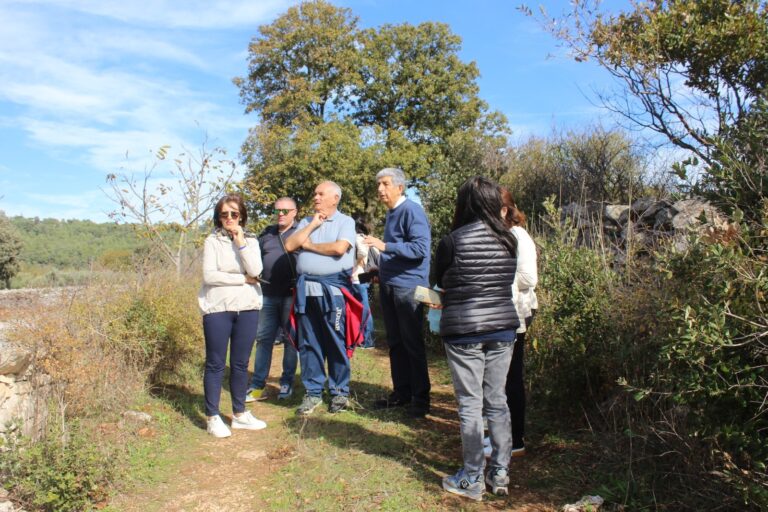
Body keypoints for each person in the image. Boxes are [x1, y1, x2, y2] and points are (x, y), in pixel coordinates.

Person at [433, 176, 519, 500]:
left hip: (464, 328)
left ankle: (472, 478)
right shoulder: (510, 240)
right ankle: (500, 472)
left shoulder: (452, 241)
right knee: (497, 400)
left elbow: (439, 280)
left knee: (470, 404)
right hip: (502, 327)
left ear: (465, 203)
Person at [283, 181, 361, 415]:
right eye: (314, 193)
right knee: (309, 344)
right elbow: (289, 244)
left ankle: (339, 393)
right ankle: (313, 392)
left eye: (321, 194)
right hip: (306, 293)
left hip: (334, 294)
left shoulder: (346, 222)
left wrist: (310, 246)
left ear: (335, 198)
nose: (315, 197)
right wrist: (314, 224)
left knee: (336, 342)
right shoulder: (307, 221)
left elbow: (339, 249)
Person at [198, 194, 268, 438]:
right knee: (216, 363)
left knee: (240, 363)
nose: (229, 218)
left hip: (247, 307)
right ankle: (213, 417)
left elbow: (256, 270)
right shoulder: (212, 241)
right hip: (218, 308)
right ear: (218, 217)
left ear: (242, 216)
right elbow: (209, 276)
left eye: (234, 214)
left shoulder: (250, 240)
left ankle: (239, 414)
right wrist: (242, 279)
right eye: (224, 214)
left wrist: (240, 243)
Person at [364, 167, 431, 418]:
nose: (380, 189)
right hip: (390, 284)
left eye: (385, 184)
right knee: (395, 342)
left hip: (409, 287)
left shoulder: (412, 211)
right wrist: (379, 268)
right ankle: (402, 393)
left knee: (412, 343)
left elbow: (420, 249)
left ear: (399, 187)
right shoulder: (393, 213)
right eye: (378, 184)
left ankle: (421, 401)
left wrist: (384, 246)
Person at [246, 197, 300, 402]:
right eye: (278, 210)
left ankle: (286, 383)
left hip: (291, 295)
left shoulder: (301, 232)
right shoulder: (266, 234)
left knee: (290, 341)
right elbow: (253, 259)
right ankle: (258, 385)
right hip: (267, 294)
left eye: (286, 211)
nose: (281, 214)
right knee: (263, 339)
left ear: (295, 212)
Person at [502, 187, 538, 457]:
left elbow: (528, 278)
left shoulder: (518, 236)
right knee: (498, 376)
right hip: (502, 310)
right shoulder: (501, 235)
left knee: (511, 375)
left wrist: (496, 279)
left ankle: (516, 438)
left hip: (518, 311)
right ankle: (501, 431)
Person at [352, 219, 376, 349]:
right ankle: (364, 339)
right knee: (365, 309)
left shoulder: (357, 238)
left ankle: (367, 340)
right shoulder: (367, 238)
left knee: (363, 310)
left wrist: (356, 263)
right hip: (366, 277)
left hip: (357, 277)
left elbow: (361, 253)